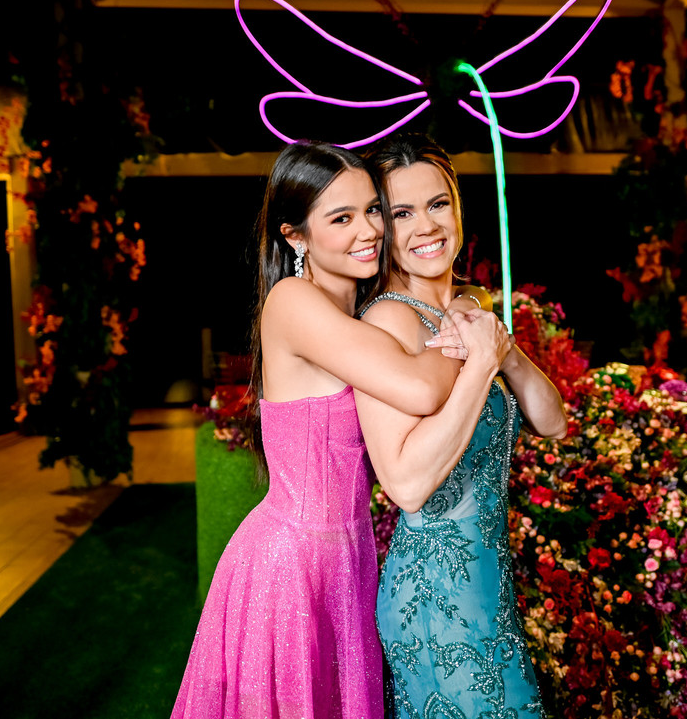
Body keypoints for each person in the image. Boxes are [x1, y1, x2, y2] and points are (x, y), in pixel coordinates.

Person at [170, 141, 509, 719]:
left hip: (348, 558)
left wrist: (461, 306)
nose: (369, 230)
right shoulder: (291, 302)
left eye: (373, 210)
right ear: (295, 237)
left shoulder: (356, 310)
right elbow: (422, 389)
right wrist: (463, 320)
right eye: (341, 218)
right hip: (291, 566)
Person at [356, 133, 568, 719]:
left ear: (457, 208)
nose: (426, 225)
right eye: (402, 212)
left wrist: (504, 351)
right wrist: (478, 366)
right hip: (436, 595)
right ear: (381, 229)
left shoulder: (468, 306)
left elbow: (553, 422)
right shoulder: (387, 322)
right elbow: (405, 485)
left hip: (488, 582)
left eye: (437, 204)